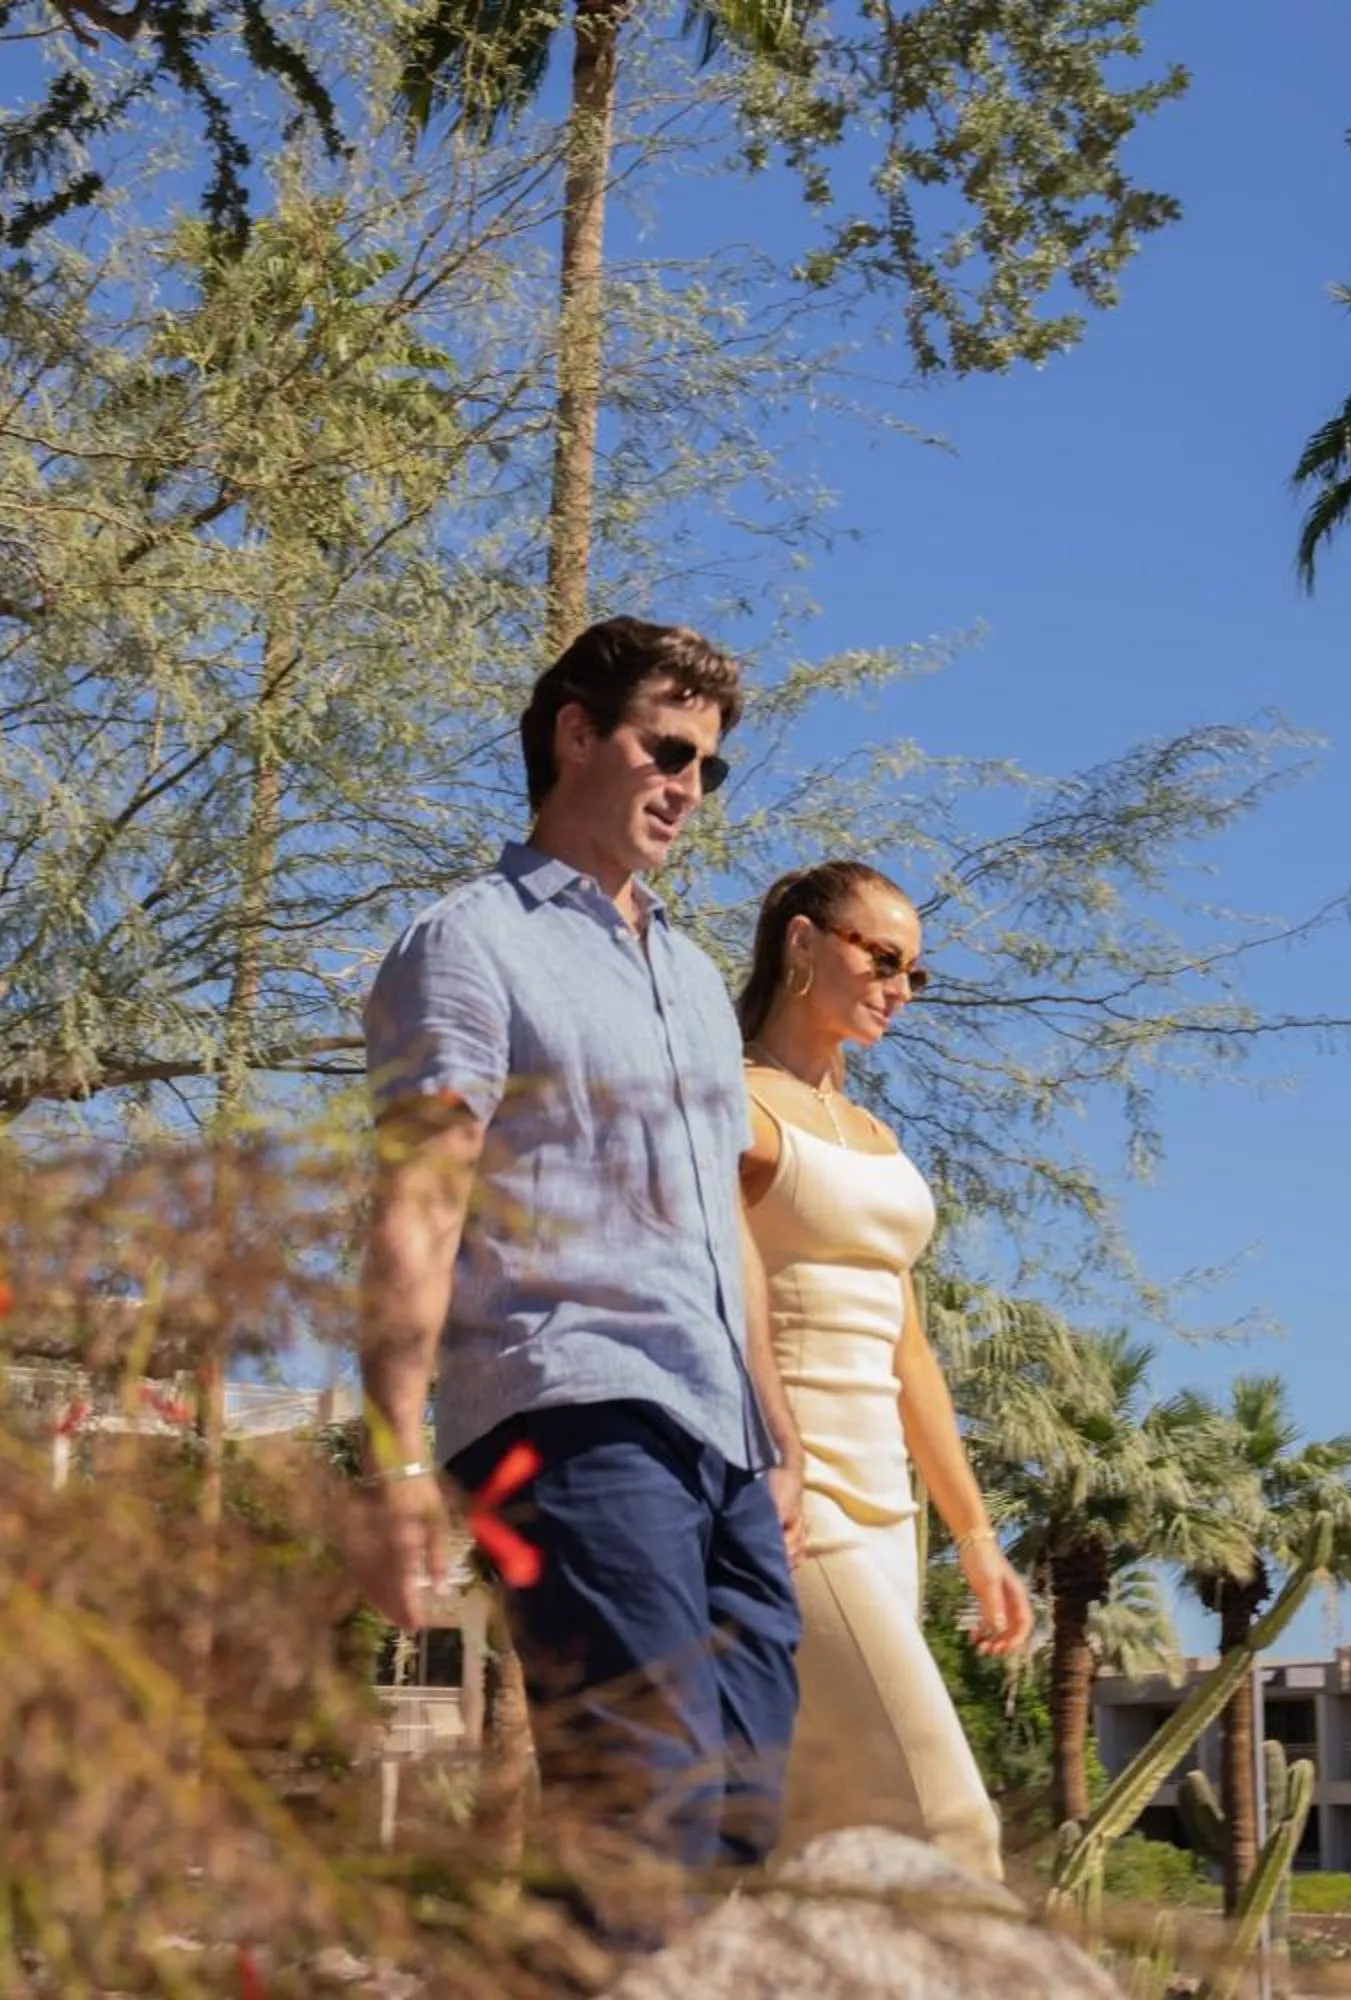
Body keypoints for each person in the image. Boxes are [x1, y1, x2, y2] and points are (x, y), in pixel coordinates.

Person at [352, 615, 808, 1882]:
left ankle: (555, 1964)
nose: (690, 786)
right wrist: (392, 1458)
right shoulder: (469, 942)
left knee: (741, 1812)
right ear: (574, 735)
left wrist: (775, 1432)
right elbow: (419, 1200)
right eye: (668, 749)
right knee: (648, 1802)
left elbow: (722, 1222)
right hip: (571, 1410)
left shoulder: (695, 980)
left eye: (710, 765)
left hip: (721, 1438)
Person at [731, 860, 1035, 1881]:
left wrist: (976, 1538)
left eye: (917, 973)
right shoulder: (731, 1105)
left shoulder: (876, 1136)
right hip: (790, 1500)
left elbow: (909, 1353)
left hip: (886, 1515)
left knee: (837, 1844)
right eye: (885, 958)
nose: (902, 987)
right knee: (948, 1824)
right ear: (803, 942)